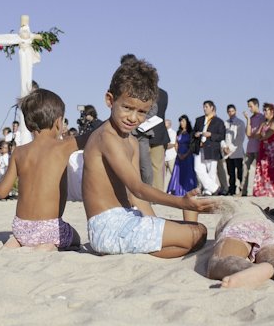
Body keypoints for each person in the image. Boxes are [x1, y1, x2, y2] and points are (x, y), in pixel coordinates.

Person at [82, 57, 218, 257]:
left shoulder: (132, 141)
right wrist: (180, 202)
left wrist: (154, 223)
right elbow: (139, 187)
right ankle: (150, 245)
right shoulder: (106, 137)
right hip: (108, 228)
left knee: (197, 231)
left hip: (128, 218)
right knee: (196, 233)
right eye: (127, 107)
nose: (133, 118)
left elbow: (135, 195)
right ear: (110, 100)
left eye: (142, 112)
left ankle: (149, 245)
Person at [0, 88, 89, 249]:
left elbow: (1, 192)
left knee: (22, 237)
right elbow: (94, 136)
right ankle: (47, 246)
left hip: (21, 228)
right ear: (58, 122)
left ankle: (16, 242)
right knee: (75, 237)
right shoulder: (64, 146)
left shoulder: (19, 152)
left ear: (28, 126)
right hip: (49, 229)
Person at [198, 203, 274, 291]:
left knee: (221, 260)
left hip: (245, 224)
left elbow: (200, 204)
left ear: (267, 210)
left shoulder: (248, 206)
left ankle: (246, 268)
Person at [121, 54, 170, 191]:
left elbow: (155, 110)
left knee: (146, 164)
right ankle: (154, 193)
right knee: (153, 166)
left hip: (147, 131)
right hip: (151, 131)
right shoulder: (163, 93)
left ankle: (151, 193)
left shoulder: (146, 91)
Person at [252, 103, 274, 197]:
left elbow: (269, 133)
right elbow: (256, 134)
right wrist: (261, 136)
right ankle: (263, 190)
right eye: (264, 110)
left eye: (266, 110)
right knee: (263, 169)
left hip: (273, 150)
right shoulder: (263, 123)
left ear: (272, 111)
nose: (264, 112)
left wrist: (262, 137)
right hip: (263, 149)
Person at [193, 101, 226, 196]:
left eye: (206, 107)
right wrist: (195, 134)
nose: (204, 108)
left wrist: (211, 134)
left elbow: (221, 136)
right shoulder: (198, 120)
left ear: (212, 108)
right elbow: (193, 131)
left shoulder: (219, 121)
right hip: (199, 148)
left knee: (211, 171)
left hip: (212, 148)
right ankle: (214, 187)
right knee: (198, 169)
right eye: (203, 107)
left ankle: (208, 190)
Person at [166, 115, 197, 196]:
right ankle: (176, 190)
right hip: (179, 156)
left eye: (183, 121)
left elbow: (192, 146)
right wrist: (179, 154)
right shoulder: (178, 132)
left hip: (188, 156)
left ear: (187, 122)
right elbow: (176, 144)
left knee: (188, 173)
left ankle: (188, 190)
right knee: (178, 173)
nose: (181, 123)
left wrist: (186, 154)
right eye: (180, 121)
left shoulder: (191, 132)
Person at [242, 98, 264, 196]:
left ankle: (259, 191)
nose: (249, 109)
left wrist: (254, 134)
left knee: (259, 170)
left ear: (256, 105)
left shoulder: (262, 117)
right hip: (250, 147)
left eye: (251, 106)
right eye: (248, 107)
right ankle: (243, 191)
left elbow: (258, 134)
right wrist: (248, 120)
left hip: (259, 148)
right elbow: (248, 134)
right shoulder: (251, 118)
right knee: (245, 168)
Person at [224, 104, 247, 196]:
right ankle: (232, 189)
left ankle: (242, 189)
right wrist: (224, 147)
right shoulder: (225, 123)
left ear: (235, 111)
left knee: (239, 172)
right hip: (227, 153)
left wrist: (231, 148)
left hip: (237, 151)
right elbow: (223, 137)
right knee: (231, 172)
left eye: (232, 111)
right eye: (229, 111)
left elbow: (240, 138)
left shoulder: (240, 122)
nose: (231, 113)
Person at [163, 118, 176, 188]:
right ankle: (164, 191)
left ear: (169, 124)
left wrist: (163, 146)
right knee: (165, 177)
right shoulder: (163, 133)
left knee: (173, 174)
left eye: (166, 123)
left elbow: (172, 144)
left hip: (171, 156)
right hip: (164, 157)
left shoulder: (173, 133)